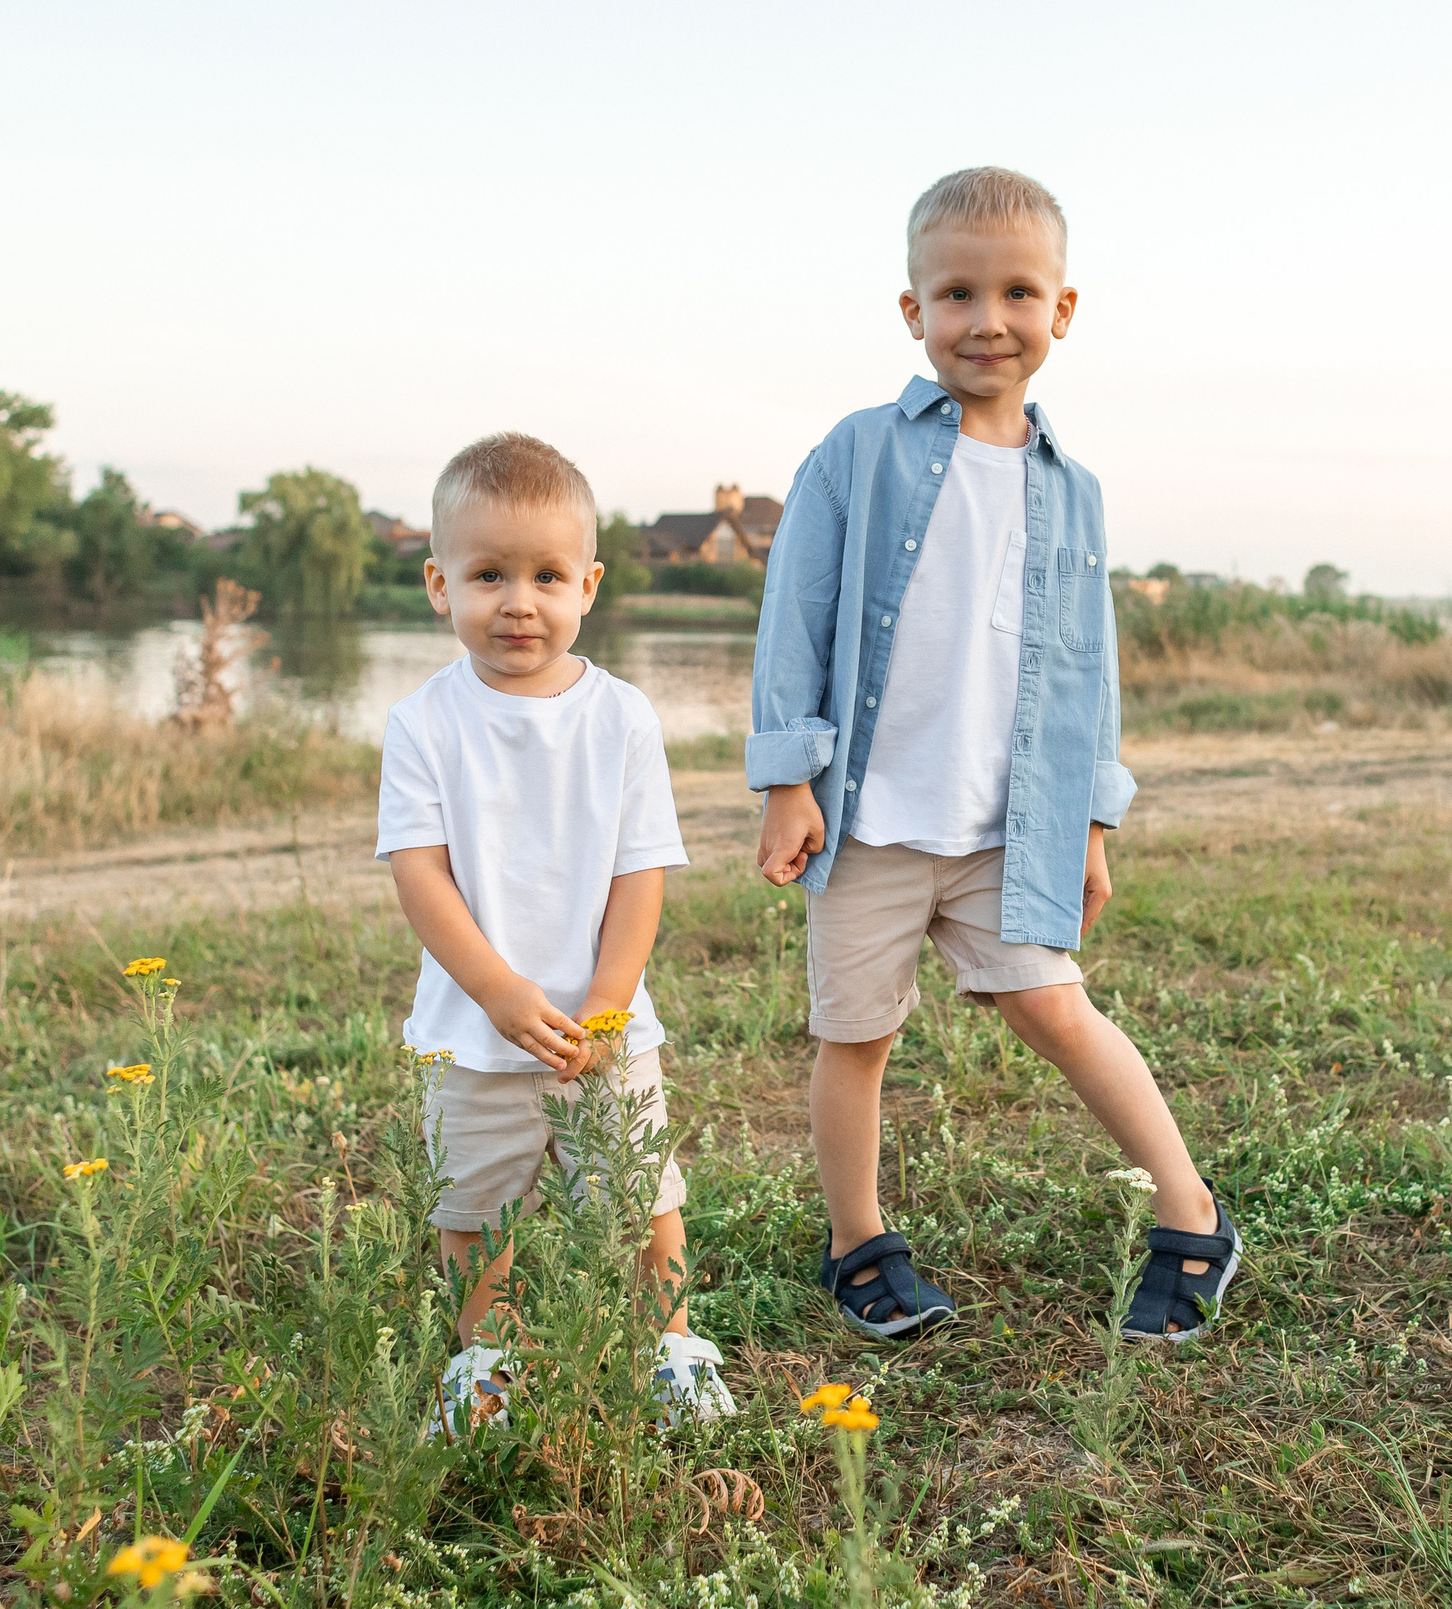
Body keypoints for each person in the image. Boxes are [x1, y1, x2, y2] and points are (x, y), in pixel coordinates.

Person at [749, 166, 1243, 1343]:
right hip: (868, 823)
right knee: (853, 1035)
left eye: (1017, 292)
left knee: (1059, 1013)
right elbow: (794, 614)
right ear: (912, 310)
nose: (987, 319)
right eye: (956, 293)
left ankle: (1191, 1216)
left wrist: (1088, 819)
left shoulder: (1071, 492)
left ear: (1061, 311)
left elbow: (1086, 671)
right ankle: (856, 1241)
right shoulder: (858, 453)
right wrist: (784, 781)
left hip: (1001, 826)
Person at [376, 431, 733, 1430]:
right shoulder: (423, 722)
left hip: (603, 1027)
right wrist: (495, 989)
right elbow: (420, 872)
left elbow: (639, 871)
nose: (518, 601)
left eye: (545, 575)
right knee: (473, 1213)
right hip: (471, 1033)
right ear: (439, 585)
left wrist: (609, 1006)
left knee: (641, 1202)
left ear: (589, 585)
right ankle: (485, 1363)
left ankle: (671, 1348)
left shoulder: (621, 718)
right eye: (488, 574)